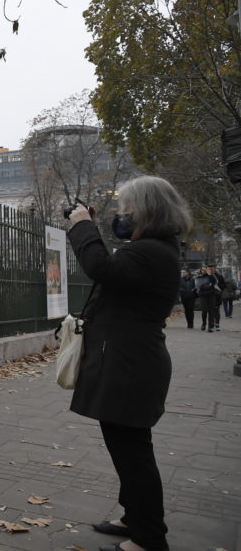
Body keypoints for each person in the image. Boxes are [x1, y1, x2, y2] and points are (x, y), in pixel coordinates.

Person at [66, 175, 192, 551]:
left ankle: (149, 538)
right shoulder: (155, 249)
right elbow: (113, 271)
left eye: (126, 210)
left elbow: (100, 268)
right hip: (130, 362)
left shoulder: (152, 252)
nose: (122, 216)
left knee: (133, 453)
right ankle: (135, 517)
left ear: (147, 212)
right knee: (129, 448)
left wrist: (83, 227)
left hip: (131, 366)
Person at [194, 264, 223, 331]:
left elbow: (215, 282)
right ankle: (204, 323)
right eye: (202, 270)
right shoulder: (198, 277)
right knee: (204, 311)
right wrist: (207, 285)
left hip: (211, 296)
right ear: (201, 270)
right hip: (203, 296)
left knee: (211, 311)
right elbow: (198, 286)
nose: (203, 271)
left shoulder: (211, 276)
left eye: (205, 269)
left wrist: (210, 275)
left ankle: (210, 326)